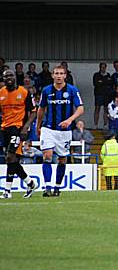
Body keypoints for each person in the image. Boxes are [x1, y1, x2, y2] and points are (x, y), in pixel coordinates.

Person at [36, 65, 84, 197]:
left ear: (65, 75)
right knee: (47, 156)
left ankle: (57, 187)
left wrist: (70, 120)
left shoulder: (72, 90)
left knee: (62, 159)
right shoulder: (46, 90)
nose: (58, 76)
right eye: (56, 73)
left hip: (64, 131)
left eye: (61, 73)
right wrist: (38, 126)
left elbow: (80, 108)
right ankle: (47, 188)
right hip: (48, 129)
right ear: (52, 75)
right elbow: (41, 109)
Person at [0, 69, 37, 199]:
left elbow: (33, 111)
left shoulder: (24, 92)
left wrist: (25, 127)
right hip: (5, 129)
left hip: (18, 128)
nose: (8, 78)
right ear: (3, 79)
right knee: (12, 159)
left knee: (10, 157)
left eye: (10, 75)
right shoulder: (1, 93)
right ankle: (30, 183)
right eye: (5, 76)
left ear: (15, 77)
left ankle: (7, 191)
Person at [92, 62, 112, 129]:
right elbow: (96, 84)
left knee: (106, 109)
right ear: (99, 67)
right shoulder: (96, 75)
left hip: (106, 94)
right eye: (102, 67)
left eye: (104, 67)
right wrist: (105, 83)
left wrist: (102, 82)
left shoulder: (108, 75)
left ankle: (105, 124)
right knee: (97, 109)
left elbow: (110, 84)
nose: (103, 68)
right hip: (98, 94)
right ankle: (95, 124)